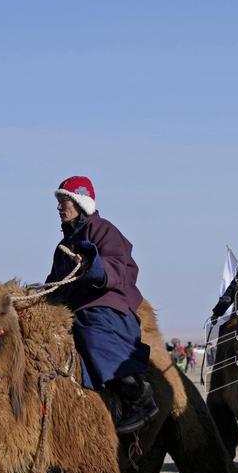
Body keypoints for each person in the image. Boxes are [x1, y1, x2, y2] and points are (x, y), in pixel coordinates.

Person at [46, 176, 158, 435]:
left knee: (93, 333)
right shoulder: (63, 246)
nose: (59, 208)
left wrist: (90, 265)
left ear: (80, 202)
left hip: (105, 304)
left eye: (64, 201)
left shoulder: (103, 230)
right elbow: (54, 283)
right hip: (73, 308)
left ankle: (138, 395)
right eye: (59, 202)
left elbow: (116, 267)